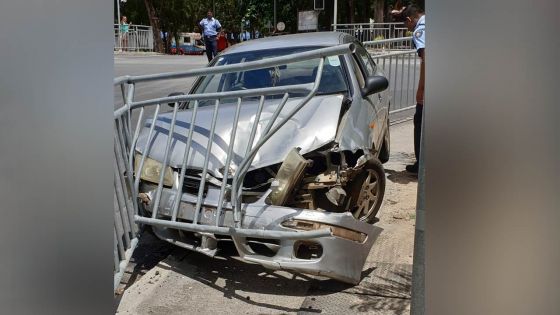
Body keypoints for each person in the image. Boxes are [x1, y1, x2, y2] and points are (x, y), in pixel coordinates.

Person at [402, 5, 425, 174]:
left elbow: (427, 59)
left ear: (409, 20)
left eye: (405, 25)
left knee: (420, 121)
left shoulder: (420, 31)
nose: (407, 29)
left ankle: (421, 165)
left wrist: (421, 88)